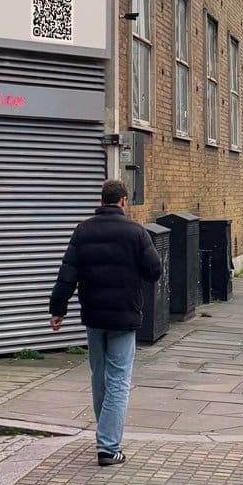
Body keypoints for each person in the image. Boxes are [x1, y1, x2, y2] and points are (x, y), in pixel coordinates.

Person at [48, 178, 163, 466]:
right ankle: (109, 447)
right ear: (124, 201)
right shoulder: (136, 232)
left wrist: (57, 309)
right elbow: (154, 272)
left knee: (99, 378)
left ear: (102, 200)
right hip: (124, 316)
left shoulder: (83, 231)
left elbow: (67, 273)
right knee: (119, 381)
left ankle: (105, 436)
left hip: (94, 316)